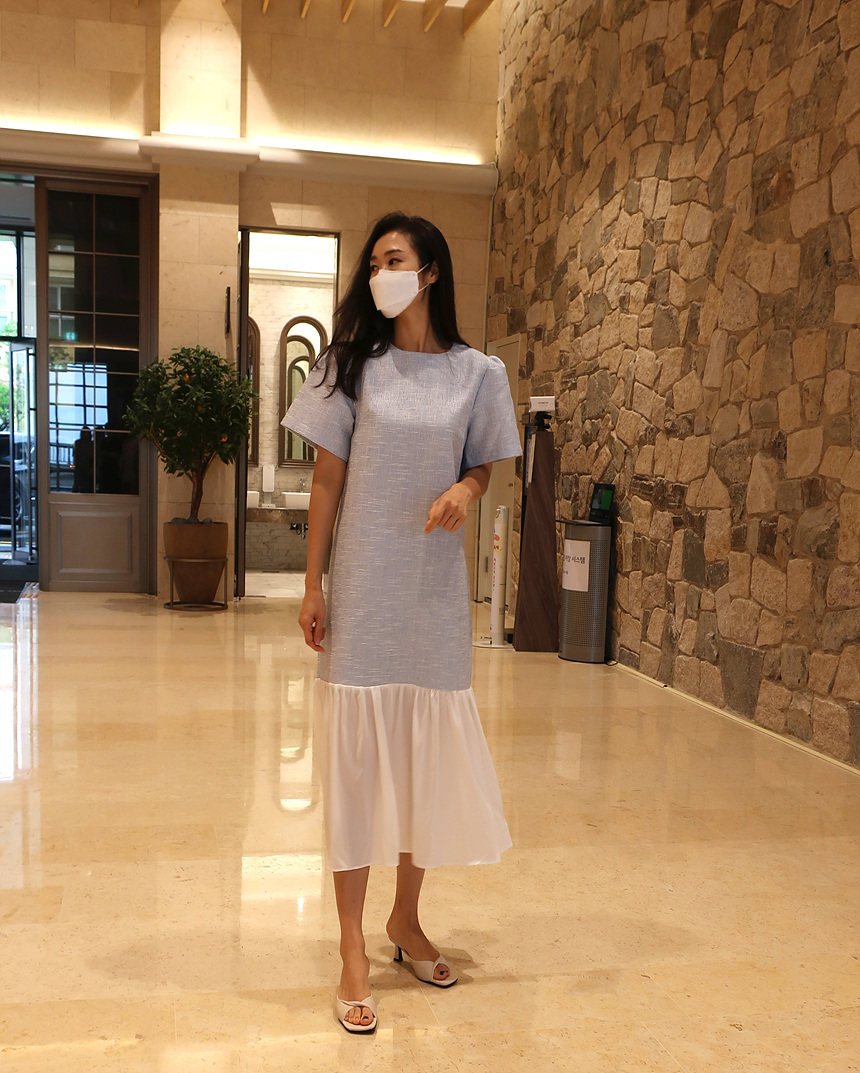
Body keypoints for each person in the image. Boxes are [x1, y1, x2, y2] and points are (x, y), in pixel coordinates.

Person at [281, 212, 521, 1034]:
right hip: (365, 585)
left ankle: (405, 918)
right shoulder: (348, 365)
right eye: (374, 262)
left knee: (423, 765)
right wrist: (312, 585)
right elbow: (325, 481)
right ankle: (352, 945)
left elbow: (484, 463)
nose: (380, 273)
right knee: (355, 768)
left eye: (395, 260)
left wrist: (466, 490)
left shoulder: (478, 373)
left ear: (430, 273)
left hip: (433, 595)